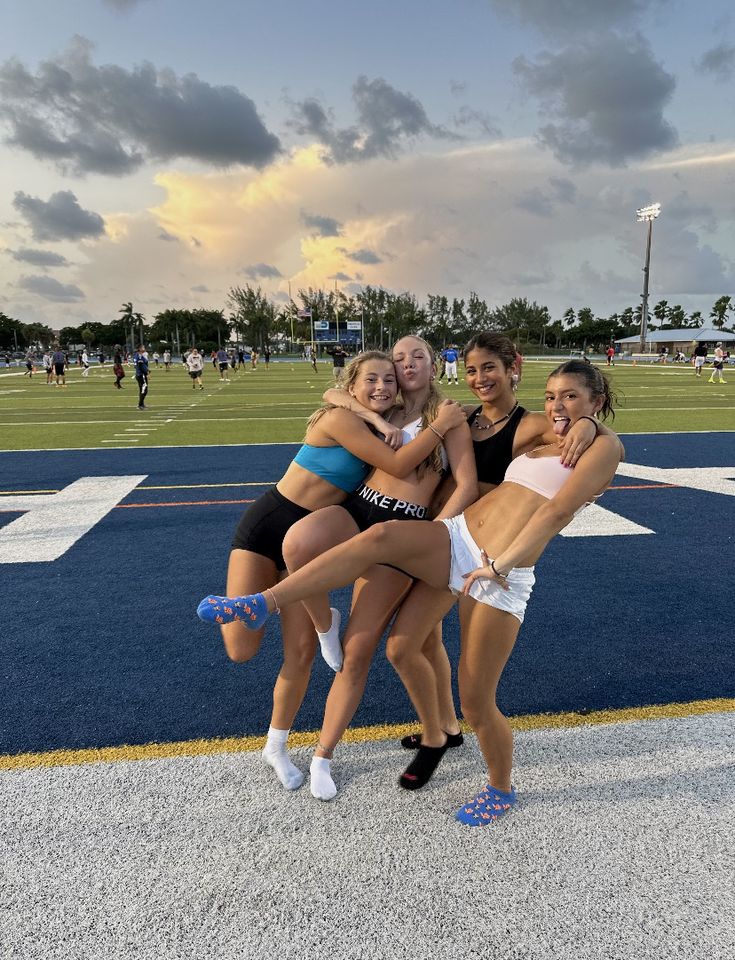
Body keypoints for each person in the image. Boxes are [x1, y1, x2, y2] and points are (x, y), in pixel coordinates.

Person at [198, 360, 622, 826]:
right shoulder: (549, 435)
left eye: (571, 398)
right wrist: (577, 420)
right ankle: (264, 602)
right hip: (457, 536)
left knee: (477, 703)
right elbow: (509, 428)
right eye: (552, 395)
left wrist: (499, 564)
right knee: (379, 539)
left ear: (596, 401)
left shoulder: (604, 448)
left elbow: (556, 512)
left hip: (500, 571)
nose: (557, 406)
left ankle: (501, 788)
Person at [212, 350, 466, 793]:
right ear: (353, 387)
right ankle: (321, 619)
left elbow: (441, 466)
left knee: (303, 655)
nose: (384, 385)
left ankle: (277, 744)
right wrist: (393, 420)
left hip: (325, 538)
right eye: (374, 378)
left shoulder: (385, 416)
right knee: (240, 649)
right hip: (270, 526)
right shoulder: (345, 417)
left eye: (392, 376)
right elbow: (390, 453)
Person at [382, 332, 609, 779]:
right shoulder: (462, 417)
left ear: (512, 368)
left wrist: (591, 424)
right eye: (471, 369)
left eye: (490, 367)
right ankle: (445, 728)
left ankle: (444, 739)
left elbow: (583, 435)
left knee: (416, 649)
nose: (481, 378)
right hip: (436, 534)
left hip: (473, 548)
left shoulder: (532, 425)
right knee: (419, 642)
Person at [279, 336, 477, 800]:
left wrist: (434, 534)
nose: (406, 364)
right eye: (398, 358)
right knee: (297, 543)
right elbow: (334, 395)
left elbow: (465, 483)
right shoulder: (384, 406)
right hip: (358, 511)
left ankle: (324, 754)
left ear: (435, 365)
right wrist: (369, 413)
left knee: (362, 646)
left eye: (418, 357)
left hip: (400, 534)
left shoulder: (446, 416)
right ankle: (322, 624)